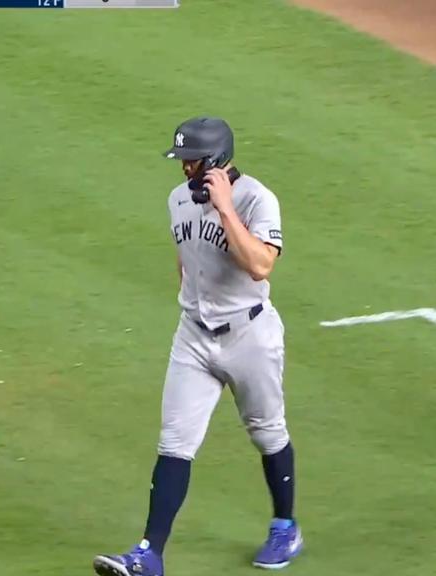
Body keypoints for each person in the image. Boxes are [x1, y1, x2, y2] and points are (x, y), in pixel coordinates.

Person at [92, 117, 302, 576]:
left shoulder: (257, 199)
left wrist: (226, 209)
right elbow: (186, 262)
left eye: (193, 161)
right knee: (174, 442)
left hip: (250, 336)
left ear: (217, 160)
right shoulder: (177, 201)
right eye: (183, 161)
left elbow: (261, 265)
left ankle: (285, 527)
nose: (185, 169)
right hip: (194, 336)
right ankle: (149, 555)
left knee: (267, 432)